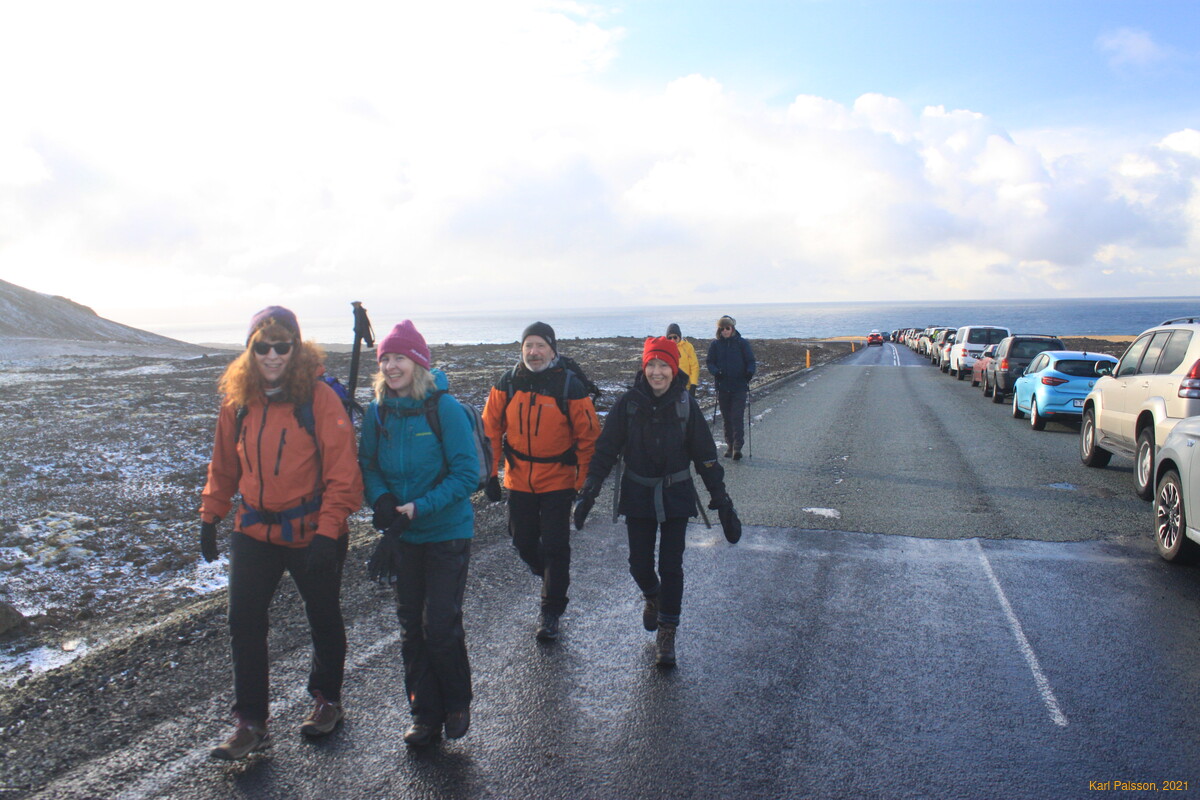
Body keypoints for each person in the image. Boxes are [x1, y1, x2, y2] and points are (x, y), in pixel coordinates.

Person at [200, 306, 363, 760]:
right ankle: (251, 723)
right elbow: (224, 464)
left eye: (282, 346)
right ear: (250, 350)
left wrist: (329, 533)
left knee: (323, 615)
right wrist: (210, 515)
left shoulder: (319, 399)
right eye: (262, 346)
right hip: (253, 529)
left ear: (296, 347)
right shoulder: (237, 399)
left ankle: (327, 701)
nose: (272, 355)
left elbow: (343, 475)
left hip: (313, 529)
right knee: (243, 623)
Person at [572, 337, 740, 667]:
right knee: (639, 565)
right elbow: (605, 450)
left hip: (676, 494)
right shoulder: (628, 404)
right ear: (643, 366)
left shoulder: (685, 405)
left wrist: (723, 502)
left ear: (674, 367)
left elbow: (706, 458)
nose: (657, 372)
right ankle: (653, 596)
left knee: (671, 566)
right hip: (638, 494)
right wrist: (589, 491)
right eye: (651, 365)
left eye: (663, 365)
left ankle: (668, 631)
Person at [359, 320, 478, 748]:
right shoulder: (378, 410)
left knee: (440, 625)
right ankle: (424, 715)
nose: (391, 366)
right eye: (386, 359)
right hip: (403, 536)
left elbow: (467, 475)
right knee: (411, 627)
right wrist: (382, 501)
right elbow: (368, 465)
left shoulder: (442, 408)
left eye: (400, 358)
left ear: (418, 362)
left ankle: (457, 701)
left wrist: (419, 507)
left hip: (447, 531)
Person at [481, 321, 600, 640]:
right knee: (522, 539)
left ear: (552, 350)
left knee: (557, 545)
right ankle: (547, 573)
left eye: (540, 346)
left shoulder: (569, 386)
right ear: (521, 350)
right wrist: (491, 474)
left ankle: (551, 611)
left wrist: (584, 484)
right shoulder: (507, 383)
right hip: (518, 478)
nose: (533, 352)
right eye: (528, 346)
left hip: (559, 481)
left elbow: (588, 438)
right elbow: (490, 430)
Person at [705, 315, 756, 460]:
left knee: (737, 417)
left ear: (732, 328)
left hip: (739, 386)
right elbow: (710, 362)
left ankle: (738, 447)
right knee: (727, 418)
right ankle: (730, 446)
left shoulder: (742, 343)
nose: (725, 331)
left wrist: (749, 373)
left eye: (727, 328)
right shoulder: (715, 345)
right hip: (723, 387)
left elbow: (751, 361)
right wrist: (716, 373)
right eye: (722, 329)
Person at [666, 323, 699, 392]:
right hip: (669, 387)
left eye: (675, 337)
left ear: (679, 337)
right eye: (670, 338)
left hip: (686, 387)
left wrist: (693, 384)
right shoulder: (664, 349)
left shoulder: (688, 347)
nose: (672, 340)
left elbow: (694, 366)